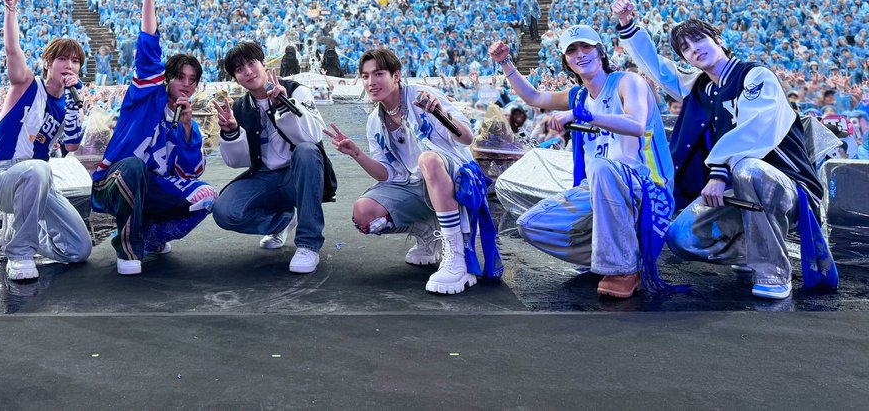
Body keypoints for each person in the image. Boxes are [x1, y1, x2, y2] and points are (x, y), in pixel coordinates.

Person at [612, 0, 837, 300]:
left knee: (747, 169)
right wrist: (629, 26)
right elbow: (659, 70)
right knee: (681, 238)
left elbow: (754, 131)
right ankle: (754, 251)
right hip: (735, 189)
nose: (695, 50)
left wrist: (718, 170)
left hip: (789, 190)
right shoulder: (701, 85)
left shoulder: (755, 76)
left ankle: (772, 271)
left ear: (718, 39)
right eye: (686, 49)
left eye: (699, 40)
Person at [489, 25, 676, 299]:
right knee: (531, 225)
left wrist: (584, 116)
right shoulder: (577, 95)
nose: (580, 54)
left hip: (645, 185)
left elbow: (636, 124)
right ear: (566, 60)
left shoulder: (628, 82)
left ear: (600, 51)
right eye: (572, 50)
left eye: (586, 47)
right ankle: (613, 253)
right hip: (597, 188)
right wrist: (506, 62)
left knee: (602, 167)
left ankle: (623, 269)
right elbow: (534, 97)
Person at [325, 47, 495, 295]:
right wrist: (356, 154)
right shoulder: (375, 120)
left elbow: (467, 138)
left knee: (428, 160)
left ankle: (457, 257)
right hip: (414, 184)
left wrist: (439, 113)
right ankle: (427, 232)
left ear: (396, 76)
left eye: (378, 73)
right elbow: (386, 174)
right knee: (364, 213)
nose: (371, 82)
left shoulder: (422, 96)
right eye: (365, 76)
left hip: (454, 178)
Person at [91, 0, 216, 275]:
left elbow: (189, 172)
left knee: (205, 196)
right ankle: (128, 248)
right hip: (114, 181)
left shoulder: (188, 122)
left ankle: (152, 234)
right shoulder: (147, 94)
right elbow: (148, 48)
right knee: (134, 168)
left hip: (151, 187)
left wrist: (187, 129)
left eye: (193, 80)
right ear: (166, 78)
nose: (186, 84)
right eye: (180, 77)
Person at [0, 0, 92, 281]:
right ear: (47, 63)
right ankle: (20, 253)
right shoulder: (27, 85)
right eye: (62, 59)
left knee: (79, 249)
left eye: (75, 61)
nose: (68, 65)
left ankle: (20, 237)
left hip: (40, 182)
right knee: (39, 170)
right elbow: (12, 49)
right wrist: (11, 8)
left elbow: (71, 146)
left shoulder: (67, 101)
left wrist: (74, 104)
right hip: (4, 177)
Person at [212, 41, 331, 274]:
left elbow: (313, 136)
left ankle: (308, 244)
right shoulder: (240, 107)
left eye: (251, 63)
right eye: (239, 69)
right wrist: (230, 132)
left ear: (264, 64)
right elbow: (238, 161)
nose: (247, 71)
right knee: (224, 211)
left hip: (298, 175)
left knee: (307, 152)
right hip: (265, 176)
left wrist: (285, 106)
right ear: (235, 78)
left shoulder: (297, 91)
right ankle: (283, 220)